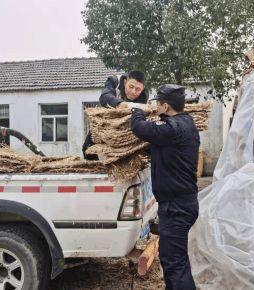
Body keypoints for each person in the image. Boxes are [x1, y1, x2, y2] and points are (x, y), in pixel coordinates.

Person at [130, 84, 200, 290]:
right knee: (172, 259)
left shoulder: (173, 128)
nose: (156, 109)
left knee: (175, 263)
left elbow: (139, 128)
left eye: (158, 105)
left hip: (177, 207)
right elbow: (159, 145)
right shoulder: (184, 124)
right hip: (179, 204)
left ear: (165, 105)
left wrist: (137, 110)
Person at [82, 70, 148, 160]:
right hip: (105, 121)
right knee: (87, 150)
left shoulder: (144, 95)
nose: (133, 92)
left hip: (125, 127)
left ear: (143, 89)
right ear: (125, 82)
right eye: (131, 87)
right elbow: (104, 97)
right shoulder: (114, 80)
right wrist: (123, 105)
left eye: (138, 89)